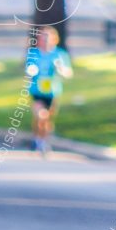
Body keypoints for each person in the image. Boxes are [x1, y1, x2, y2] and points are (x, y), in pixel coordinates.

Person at [25, 25, 73, 154]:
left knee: (47, 119)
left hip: (52, 91)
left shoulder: (59, 54)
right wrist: (31, 71)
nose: (45, 40)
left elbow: (67, 72)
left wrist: (60, 70)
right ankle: (38, 139)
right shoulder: (34, 53)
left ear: (54, 39)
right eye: (42, 37)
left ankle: (43, 140)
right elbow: (29, 68)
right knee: (41, 116)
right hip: (37, 90)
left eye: (47, 37)